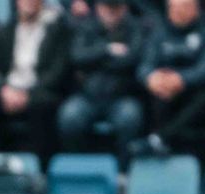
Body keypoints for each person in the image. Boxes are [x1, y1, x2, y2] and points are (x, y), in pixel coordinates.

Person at [0, 0, 71, 163]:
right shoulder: (4, 30)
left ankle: (40, 167)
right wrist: (3, 88)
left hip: (39, 89)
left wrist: (29, 93)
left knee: (43, 105)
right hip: (8, 88)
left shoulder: (56, 30)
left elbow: (58, 70)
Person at [132, 0, 205, 157]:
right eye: (175, 8)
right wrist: (151, 78)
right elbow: (145, 65)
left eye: (185, 7)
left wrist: (181, 79)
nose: (179, 12)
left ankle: (160, 139)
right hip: (164, 88)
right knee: (148, 92)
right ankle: (158, 141)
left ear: (195, 9)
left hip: (193, 89)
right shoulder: (159, 33)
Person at [59, 0, 147, 156]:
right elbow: (77, 57)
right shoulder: (86, 26)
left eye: (116, 8)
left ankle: (124, 166)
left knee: (130, 117)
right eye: (107, 8)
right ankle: (80, 162)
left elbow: (132, 59)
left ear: (124, 8)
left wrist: (94, 62)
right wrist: (107, 50)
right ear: (98, 8)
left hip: (121, 97)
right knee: (69, 116)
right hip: (88, 97)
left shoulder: (135, 28)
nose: (111, 12)